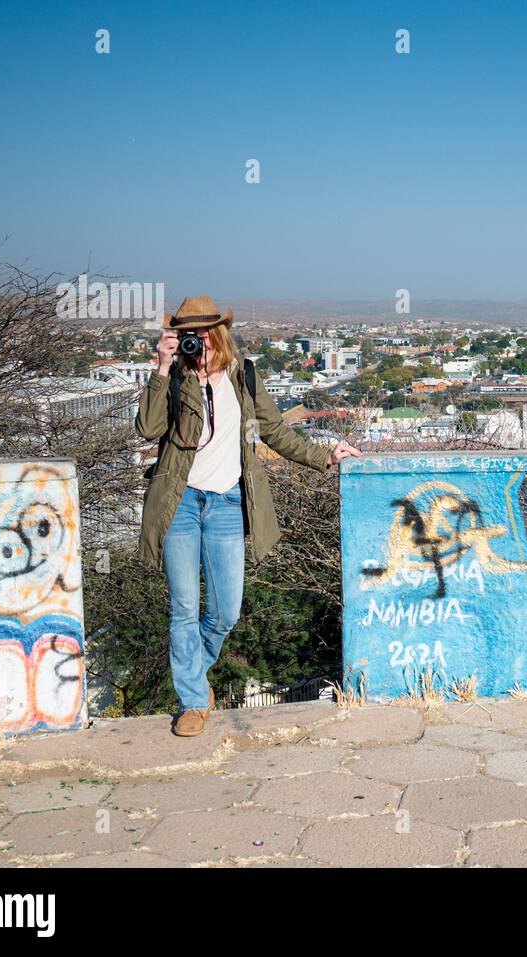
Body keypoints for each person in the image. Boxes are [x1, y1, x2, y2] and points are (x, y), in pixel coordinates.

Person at [135, 296, 360, 736]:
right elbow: (148, 429)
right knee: (183, 608)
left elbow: (273, 431)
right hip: (178, 504)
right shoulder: (174, 376)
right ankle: (194, 702)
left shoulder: (244, 375)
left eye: (200, 333)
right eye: (185, 334)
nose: (194, 341)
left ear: (218, 333)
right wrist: (161, 370)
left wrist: (324, 455)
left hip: (227, 504)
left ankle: (193, 674)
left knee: (225, 612)